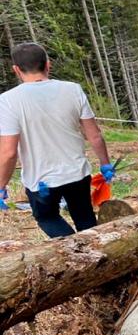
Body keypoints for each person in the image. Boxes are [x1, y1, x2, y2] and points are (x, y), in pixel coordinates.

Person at [0, 43, 116, 237]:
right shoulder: (73, 90)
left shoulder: (8, 101)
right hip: (77, 173)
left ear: (16, 69)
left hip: (41, 181)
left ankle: (76, 252)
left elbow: (9, 152)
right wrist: (105, 164)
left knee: (48, 218)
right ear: (48, 64)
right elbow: (94, 135)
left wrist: (1, 185)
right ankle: (95, 252)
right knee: (85, 217)